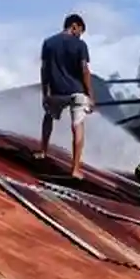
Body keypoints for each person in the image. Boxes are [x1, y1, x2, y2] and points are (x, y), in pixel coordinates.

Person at [37, 14, 93, 180]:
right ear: (74, 26)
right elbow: (84, 70)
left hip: (56, 92)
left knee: (48, 117)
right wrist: (90, 94)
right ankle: (75, 169)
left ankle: (42, 151)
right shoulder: (81, 45)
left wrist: (45, 92)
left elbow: (44, 69)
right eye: (80, 31)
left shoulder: (48, 43)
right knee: (78, 126)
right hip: (77, 91)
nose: (79, 35)